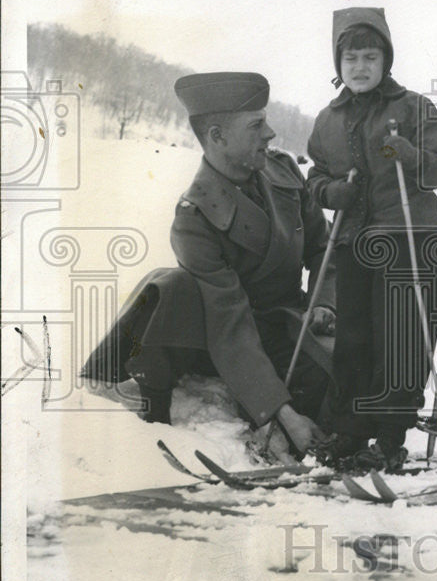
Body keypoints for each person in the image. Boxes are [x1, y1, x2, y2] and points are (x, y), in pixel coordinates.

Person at [82, 72, 336, 456]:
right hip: (229, 340)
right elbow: (229, 323)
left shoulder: (282, 170)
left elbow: (323, 247)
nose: (270, 134)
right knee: (172, 285)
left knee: (340, 385)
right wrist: (281, 414)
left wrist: (324, 302)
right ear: (218, 137)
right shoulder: (194, 218)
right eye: (256, 125)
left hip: (288, 320)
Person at [307, 7, 437, 473]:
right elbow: (314, 176)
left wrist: (409, 154)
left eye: (370, 57)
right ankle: (351, 430)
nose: (360, 67)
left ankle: (390, 436)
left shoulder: (413, 107)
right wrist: (333, 192)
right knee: (354, 339)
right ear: (339, 64)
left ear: (385, 60)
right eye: (351, 59)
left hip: (407, 237)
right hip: (353, 240)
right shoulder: (328, 119)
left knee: (402, 338)